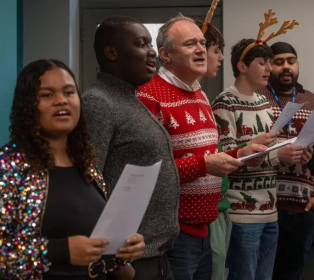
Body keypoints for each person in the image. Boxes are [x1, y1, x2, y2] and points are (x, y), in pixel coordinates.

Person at [137, 14, 268, 280]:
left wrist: (241, 154)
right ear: (165, 54)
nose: (200, 49)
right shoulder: (148, 95)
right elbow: (145, 173)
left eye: (201, 42)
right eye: (190, 44)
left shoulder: (199, 93)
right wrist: (204, 165)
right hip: (172, 234)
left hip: (204, 230)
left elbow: (208, 157)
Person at [0, 59, 145, 280]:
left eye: (69, 92)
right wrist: (61, 251)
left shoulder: (86, 165)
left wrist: (122, 252)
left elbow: (97, 249)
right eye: (48, 95)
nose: (61, 101)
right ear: (28, 105)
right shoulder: (9, 165)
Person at [82, 16, 180, 280]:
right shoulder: (99, 103)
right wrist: (116, 263)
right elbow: (88, 185)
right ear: (112, 53)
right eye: (141, 43)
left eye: (150, 43)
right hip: (129, 262)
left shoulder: (128, 97)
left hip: (152, 256)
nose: (152, 52)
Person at [212, 35, 312, 279]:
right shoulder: (225, 103)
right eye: (263, 62)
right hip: (242, 212)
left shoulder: (262, 101)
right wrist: (278, 155)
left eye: (270, 62)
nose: (269, 68)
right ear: (242, 66)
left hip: (270, 209)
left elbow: (270, 146)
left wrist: (296, 154)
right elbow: (227, 160)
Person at [257, 41, 314, 280]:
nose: (286, 66)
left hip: (303, 203)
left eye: (291, 61)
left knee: (293, 272)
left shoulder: (310, 101)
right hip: (263, 203)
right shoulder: (257, 99)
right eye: (279, 62)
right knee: (262, 271)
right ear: (269, 66)